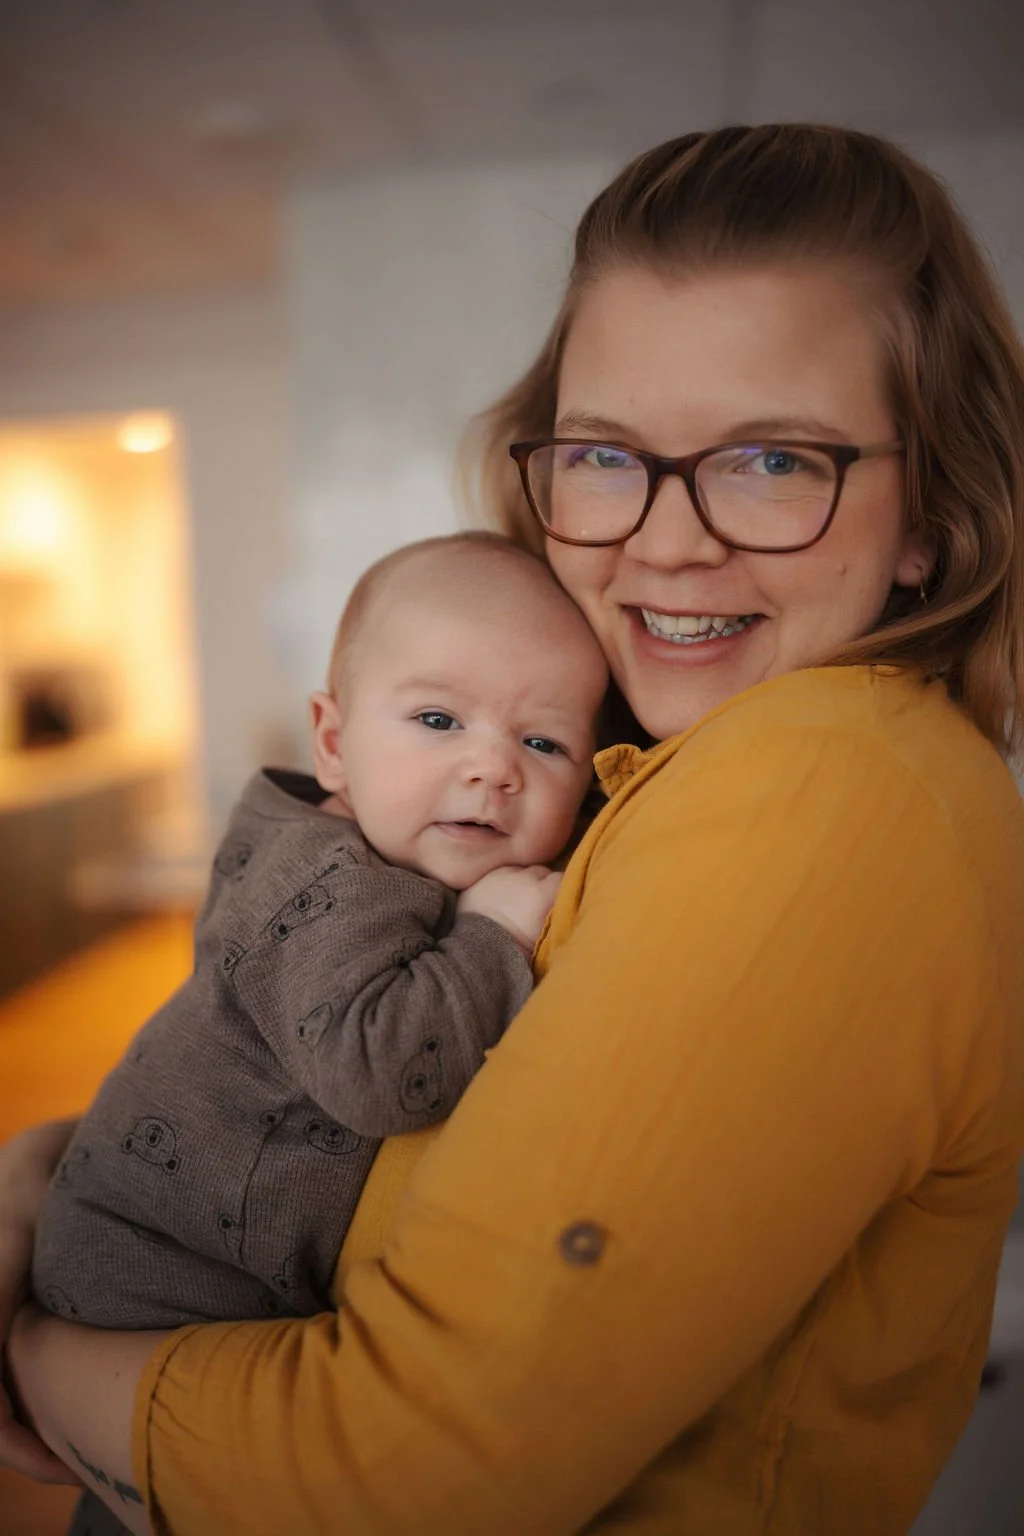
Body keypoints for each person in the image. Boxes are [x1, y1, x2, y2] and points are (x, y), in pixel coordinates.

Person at [3, 122, 1024, 1536]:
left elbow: (410, 1473)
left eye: (775, 463)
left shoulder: (827, 780)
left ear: (932, 513)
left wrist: (40, 1361)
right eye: (609, 455)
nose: (667, 542)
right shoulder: (644, 781)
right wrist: (53, 1176)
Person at [30, 531, 607, 1532]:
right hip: (159, 1291)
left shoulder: (373, 853)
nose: (491, 769)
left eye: (544, 743)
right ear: (332, 741)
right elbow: (376, 1070)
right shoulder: (330, 880)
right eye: (437, 719)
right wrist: (489, 941)